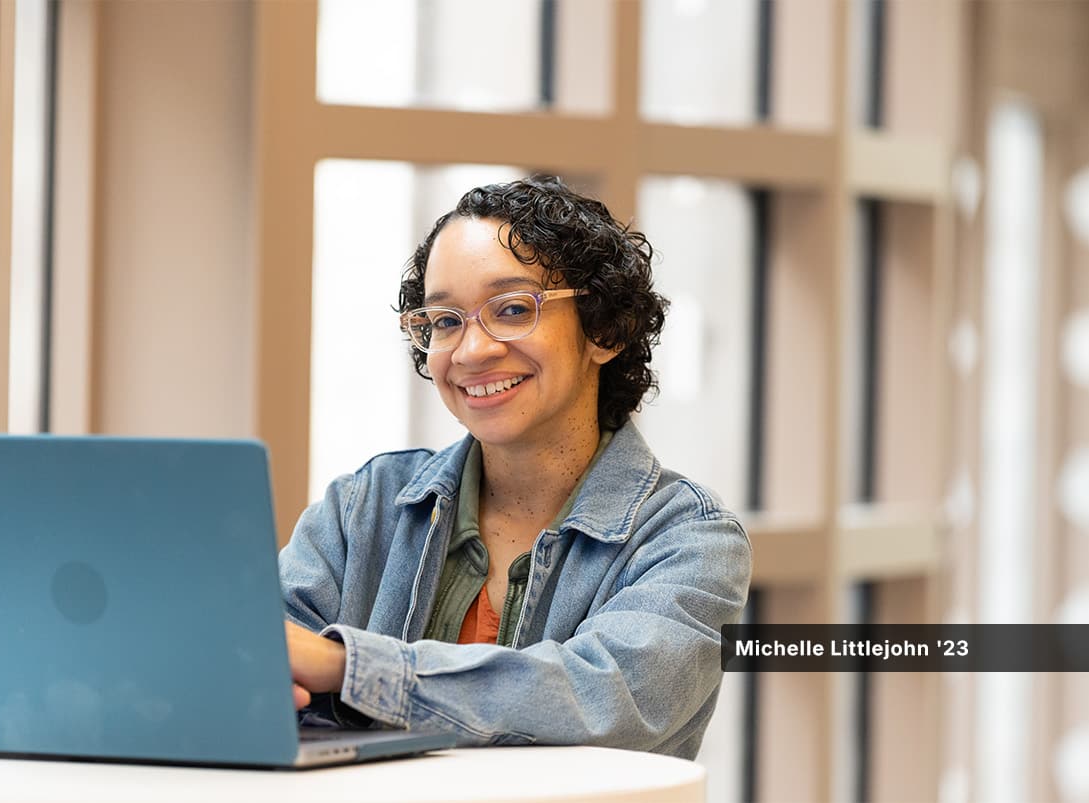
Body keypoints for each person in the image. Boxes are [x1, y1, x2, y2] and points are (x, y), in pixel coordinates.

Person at [279, 175, 752, 759]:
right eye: (446, 321)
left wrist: (346, 667)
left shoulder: (689, 539)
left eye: (510, 309)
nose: (472, 351)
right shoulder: (362, 507)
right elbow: (258, 660)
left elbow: (603, 699)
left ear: (604, 329)